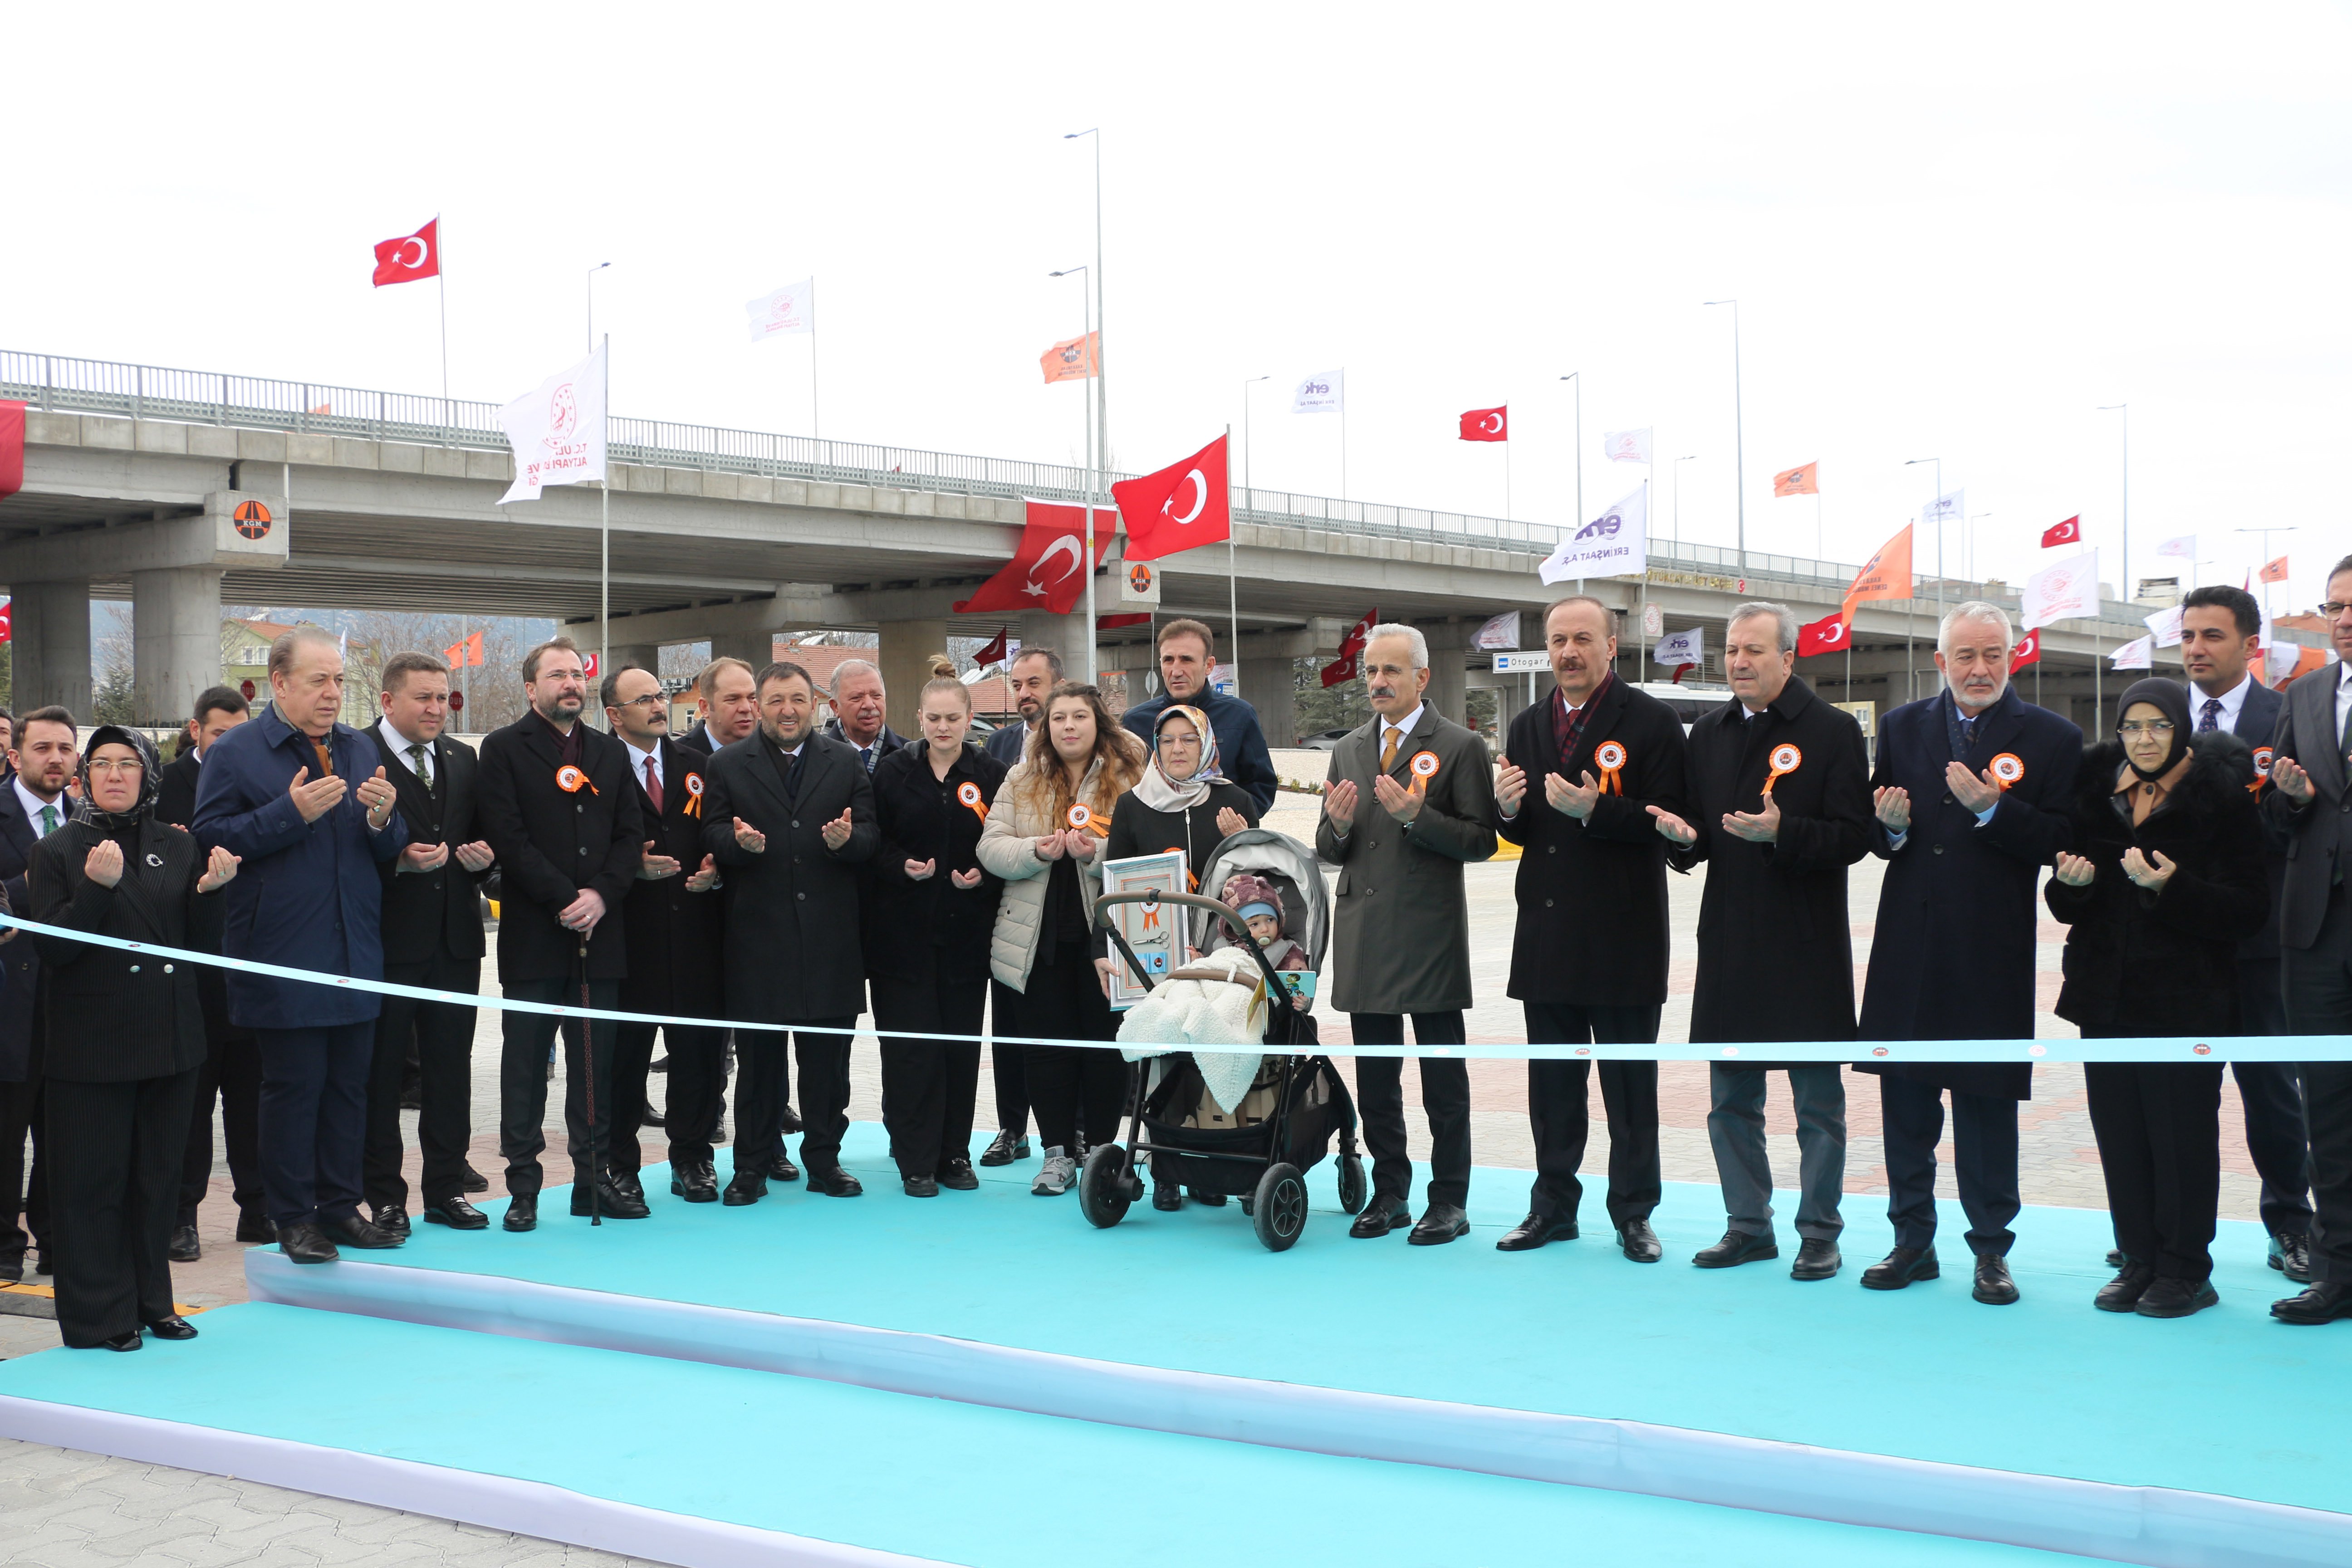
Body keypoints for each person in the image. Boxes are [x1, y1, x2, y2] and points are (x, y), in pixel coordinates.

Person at [1856, 602, 2079, 1306]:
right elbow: (1879, 824)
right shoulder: (1901, 726)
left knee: (1986, 1109)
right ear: (1940, 661)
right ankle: (1911, 1241)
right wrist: (1885, 830)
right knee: (1907, 1106)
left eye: (1993, 656)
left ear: (2014, 658)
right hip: (1910, 946)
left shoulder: (2051, 737)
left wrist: (1994, 809)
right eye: (1965, 656)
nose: (1979, 669)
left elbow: (2061, 839)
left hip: (1991, 948)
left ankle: (1991, 1251)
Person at [1649, 602, 1869, 1282]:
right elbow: (1699, 829)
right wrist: (1684, 842)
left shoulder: (1832, 732)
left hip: (1806, 945)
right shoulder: (1708, 733)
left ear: (1788, 659)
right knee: (1730, 1103)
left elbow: (1856, 837)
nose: (1739, 663)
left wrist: (1786, 834)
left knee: (1817, 1108)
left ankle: (1820, 1232)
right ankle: (1748, 1225)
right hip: (1731, 942)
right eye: (1732, 652)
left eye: (1753, 651)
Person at [194, 627, 411, 1265]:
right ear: (280, 683)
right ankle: (292, 1217)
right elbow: (210, 838)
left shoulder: (357, 746)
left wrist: (383, 819)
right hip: (282, 955)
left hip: (354, 952)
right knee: (294, 1091)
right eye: (320, 680)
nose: (333, 693)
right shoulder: (237, 752)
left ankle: (341, 1208)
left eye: (340, 680)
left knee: (351, 1088)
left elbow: (384, 844)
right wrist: (289, 813)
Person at [2049, 677, 2265, 1318]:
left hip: (2186, 1002)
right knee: (2121, 1136)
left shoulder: (2222, 799)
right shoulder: (2094, 795)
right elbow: (2067, 906)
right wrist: (2072, 886)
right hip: (2104, 998)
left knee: (2181, 1139)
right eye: (2133, 727)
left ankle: (2186, 1269)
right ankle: (2139, 1259)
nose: (2145, 740)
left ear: (2181, 729)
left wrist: (2176, 887)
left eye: (2159, 726)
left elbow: (2250, 909)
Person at [31, 726, 241, 1350]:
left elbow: (199, 947)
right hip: (92, 1047)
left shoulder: (177, 846)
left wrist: (211, 895)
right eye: (102, 765)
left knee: (156, 1180)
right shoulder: (60, 851)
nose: (115, 775)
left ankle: (155, 1301)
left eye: (128, 764)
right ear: (84, 777)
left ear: (148, 775)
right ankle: (100, 1315)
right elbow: (53, 951)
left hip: (169, 1039)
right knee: (93, 1184)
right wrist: (94, 892)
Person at [1492, 597, 1686, 1264]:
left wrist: (1599, 811)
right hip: (1546, 935)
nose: (1568, 652)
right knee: (1552, 1087)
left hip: (1624, 935)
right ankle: (1552, 1208)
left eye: (1582, 638)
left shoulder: (1655, 723)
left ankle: (1634, 1213)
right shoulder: (1525, 725)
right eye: (1557, 641)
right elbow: (1523, 830)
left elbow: (1674, 824)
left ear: (1612, 644)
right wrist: (1507, 811)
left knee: (1629, 1088)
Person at [1316, 623, 1497, 1245]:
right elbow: (1330, 845)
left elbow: (1481, 840)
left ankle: (1449, 1199)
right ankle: (1391, 1192)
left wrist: (1419, 817)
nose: (1377, 682)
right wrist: (1335, 831)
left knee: (1444, 1082)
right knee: (1377, 1081)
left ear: (1422, 677)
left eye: (1391, 671)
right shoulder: (1348, 749)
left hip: (1428, 936)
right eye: (1371, 671)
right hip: (1365, 933)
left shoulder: (1459, 744)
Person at [476, 637, 646, 1228]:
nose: (571, 684)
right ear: (532, 688)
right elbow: (508, 837)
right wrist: (564, 898)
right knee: (525, 1066)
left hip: (603, 935)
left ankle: (592, 1182)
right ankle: (523, 1186)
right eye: (557, 676)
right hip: (534, 936)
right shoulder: (502, 750)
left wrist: (601, 893)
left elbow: (630, 837)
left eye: (577, 675)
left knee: (595, 1065)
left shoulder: (609, 753)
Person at [699, 660, 877, 1204]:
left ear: (815, 704)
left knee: (828, 1069)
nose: (786, 710)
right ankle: (750, 1167)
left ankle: (825, 1161)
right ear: (758, 705)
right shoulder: (728, 764)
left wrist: (848, 840)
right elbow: (710, 831)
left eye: (797, 699)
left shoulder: (846, 762)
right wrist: (737, 846)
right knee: (759, 1068)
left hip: (830, 945)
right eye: (774, 701)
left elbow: (872, 838)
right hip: (758, 944)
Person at [2179, 583, 2311, 1281]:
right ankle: (2168, 1230)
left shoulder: (2287, 715)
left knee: (2271, 1093)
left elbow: (2299, 826)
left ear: (2251, 645)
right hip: (2183, 945)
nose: (2197, 649)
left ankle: (2291, 1223)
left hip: (2261, 946)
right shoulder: (2160, 717)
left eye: (2213, 636)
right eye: (2189, 636)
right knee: (2181, 1096)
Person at [977, 681, 1144, 1198]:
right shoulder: (1021, 777)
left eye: (1079, 717)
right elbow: (991, 847)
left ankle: (1100, 1152)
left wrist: (1097, 853)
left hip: (1106, 940)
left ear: (1099, 724)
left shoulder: (1131, 776)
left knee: (1104, 1050)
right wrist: (1038, 850)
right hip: (1037, 942)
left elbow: (1146, 851)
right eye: (1059, 718)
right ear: (1046, 727)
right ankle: (1056, 1155)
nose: (1068, 726)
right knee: (1045, 1051)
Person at [1104, 703, 1261, 1211]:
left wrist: (1243, 838)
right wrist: (1102, 951)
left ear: (1207, 745)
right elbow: (1115, 882)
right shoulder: (1133, 805)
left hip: (1222, 955)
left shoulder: (1233, 798)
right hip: (1160, 953)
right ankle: (1167, 1167)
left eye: (1188, 740)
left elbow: (1259, 880)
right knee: (1166, 1051)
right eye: (1168, 739)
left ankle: (1216, 1167)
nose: (1177, 749)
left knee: (1217, 1045)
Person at [364, 653, 496, 1235]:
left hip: (455, 941)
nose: (437, 709)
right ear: (389, 701)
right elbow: (342, 848)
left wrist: (484, 861)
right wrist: (396, 859)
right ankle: (385, 1198)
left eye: (443, 698)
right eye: (424, 698)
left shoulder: (462, 758)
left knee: (450, 1072)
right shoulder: (356, 753)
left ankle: (445, 1188)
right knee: (382, 1075)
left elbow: (481, 835)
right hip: (386, 943)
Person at [867, 657, 1006, 1196]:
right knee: (910, 1052)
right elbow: (872, 841)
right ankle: (915, 1159)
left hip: (966, 941)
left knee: (959, 1050)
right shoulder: (893, 772)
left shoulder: (992, 776)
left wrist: (984, 877)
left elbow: (1007, 846)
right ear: (919, 718)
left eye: (953, 717)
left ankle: (953, 1154)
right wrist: (901, 864)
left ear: (970, 718)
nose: (943, 727)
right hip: (901, 941)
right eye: (934, 718)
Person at [2259, 559, 2352, 1325]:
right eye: (2332, 607)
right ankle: (2336, 1270)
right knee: (2326, 1109)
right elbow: (2275, 823)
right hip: (2314, 937)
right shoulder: (2304, 695)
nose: (2341, 619)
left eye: (2351, 606)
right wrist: (2287, 803)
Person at [601, 664, 728, 1203]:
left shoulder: (698, 765)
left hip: (696, 937)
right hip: (629, 941)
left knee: (698, 1057)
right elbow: (580, 844)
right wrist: (629, 869)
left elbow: (720, 831)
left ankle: (693, 1159)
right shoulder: (597, 767)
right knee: (625, 1061)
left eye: (660, 695)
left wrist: (717, 869)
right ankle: (620, 1166)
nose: (659, 706)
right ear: (614, 715)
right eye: (645, 699)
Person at [157, 686, 266, 1263]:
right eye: (221, 732)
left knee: (251, 1097)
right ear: (197, 731)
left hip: (249, 955)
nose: (232, 742)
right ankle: (182, 1215)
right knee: (191, 1104)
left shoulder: (260, 775)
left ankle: (257, 1206)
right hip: (191, 965)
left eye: (240, 731)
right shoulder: (167, 787)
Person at [676, 654, 785, 1147]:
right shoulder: (681, 761)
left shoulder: (780, 753)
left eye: (752, 699)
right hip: (698, 924)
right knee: (703, 1045)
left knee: (766, 1043)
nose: (748, 709)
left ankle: (770, 1137)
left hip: (762, 925)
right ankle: (700, 1135)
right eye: (734, 699)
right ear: (704, 706)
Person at [0, 707, 77, 1285]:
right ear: (16, 756)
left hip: (77, 1002)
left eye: (65, 749)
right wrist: (28, 886)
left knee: (66, 1134)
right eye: (42, 748)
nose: (55, 758)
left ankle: (57, 1240)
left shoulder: (93, 819)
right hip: (11, 1005)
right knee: (6, 1133)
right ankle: (5, 1245)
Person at [981, 646, 1062, 1164]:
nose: (1024, 694)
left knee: (1061, 1030)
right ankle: (1012, 1128)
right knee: (1008, 1026)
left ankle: (1071, 1131)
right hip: (1010, 905)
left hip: (1066, 909)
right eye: (1017, 685)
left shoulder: (1088, 747)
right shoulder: (999, 746)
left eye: (1034, 684)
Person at [1120, 620, 1280, 816]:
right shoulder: (1134, 721)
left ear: (1209, 665)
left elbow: (1261, 785)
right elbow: (1122, 786)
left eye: (1187, 660)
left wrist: (1236, 821)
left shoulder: (1240, 715)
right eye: (1168, 660)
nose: (1176, 671)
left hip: (1222, 840)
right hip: (1156, 842)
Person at [157, 687, 248, 825]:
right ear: (196, 730)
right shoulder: (159, 784)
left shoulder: (260, 781)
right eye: (221, 735)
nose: (232, 744)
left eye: (240, 735)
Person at [823, 659, 908, 774]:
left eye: (876, 696)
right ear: (836, 707)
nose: (869, 705)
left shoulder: (911, 756)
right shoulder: (813, 760)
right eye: (857, 697)